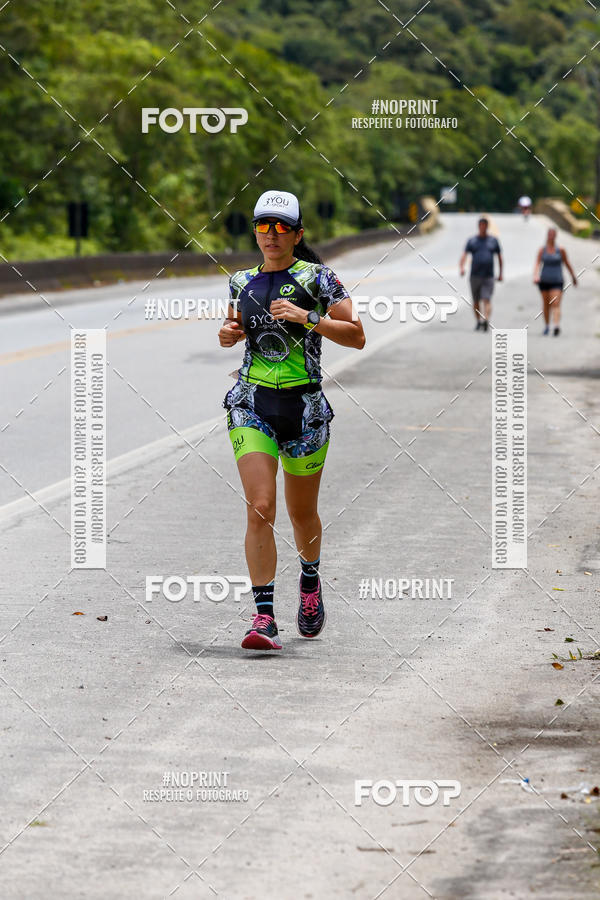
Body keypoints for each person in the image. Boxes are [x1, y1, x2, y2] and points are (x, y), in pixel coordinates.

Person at [218, 190, 365, 651]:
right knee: (260, 505)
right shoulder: (240, 281)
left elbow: (357, 336)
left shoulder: (319, 278)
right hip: (252, 403)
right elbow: (234, 330)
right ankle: (263, 617)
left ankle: (309, 581)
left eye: (282, 227)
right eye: (264, 226)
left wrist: (308, 317)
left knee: (302, 514)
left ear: (298, 234)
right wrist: (227, 334)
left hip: (305, 411)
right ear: (255, 231)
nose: (272, 235)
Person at [459, 217, 503, 331]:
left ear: (487, 226)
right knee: (476, 301)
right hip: (475, 275)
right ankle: (478, 320)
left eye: (485, 225)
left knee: (486, 299)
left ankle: (486, 319)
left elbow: (499, 257)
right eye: (481, 225)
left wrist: (501, 273)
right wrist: (462, 267)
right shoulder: (472, 241)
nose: (483, 227)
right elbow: (464, 255)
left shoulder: (493, 241)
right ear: (478, 227)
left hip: (488, 275)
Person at [533, 227, 577, 336]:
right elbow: (537, 263)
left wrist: (573, 277)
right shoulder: (542, 250)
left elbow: (567, 263)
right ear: (547, 236)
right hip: (544, 281)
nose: (551, 236)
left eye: (553, 234)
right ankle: (547, 325)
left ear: (555, 236)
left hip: (557, 281)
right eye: (550, 234)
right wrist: (535, 275)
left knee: (556, 303)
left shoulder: (560, 250)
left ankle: (556, 325)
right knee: (546, 304)